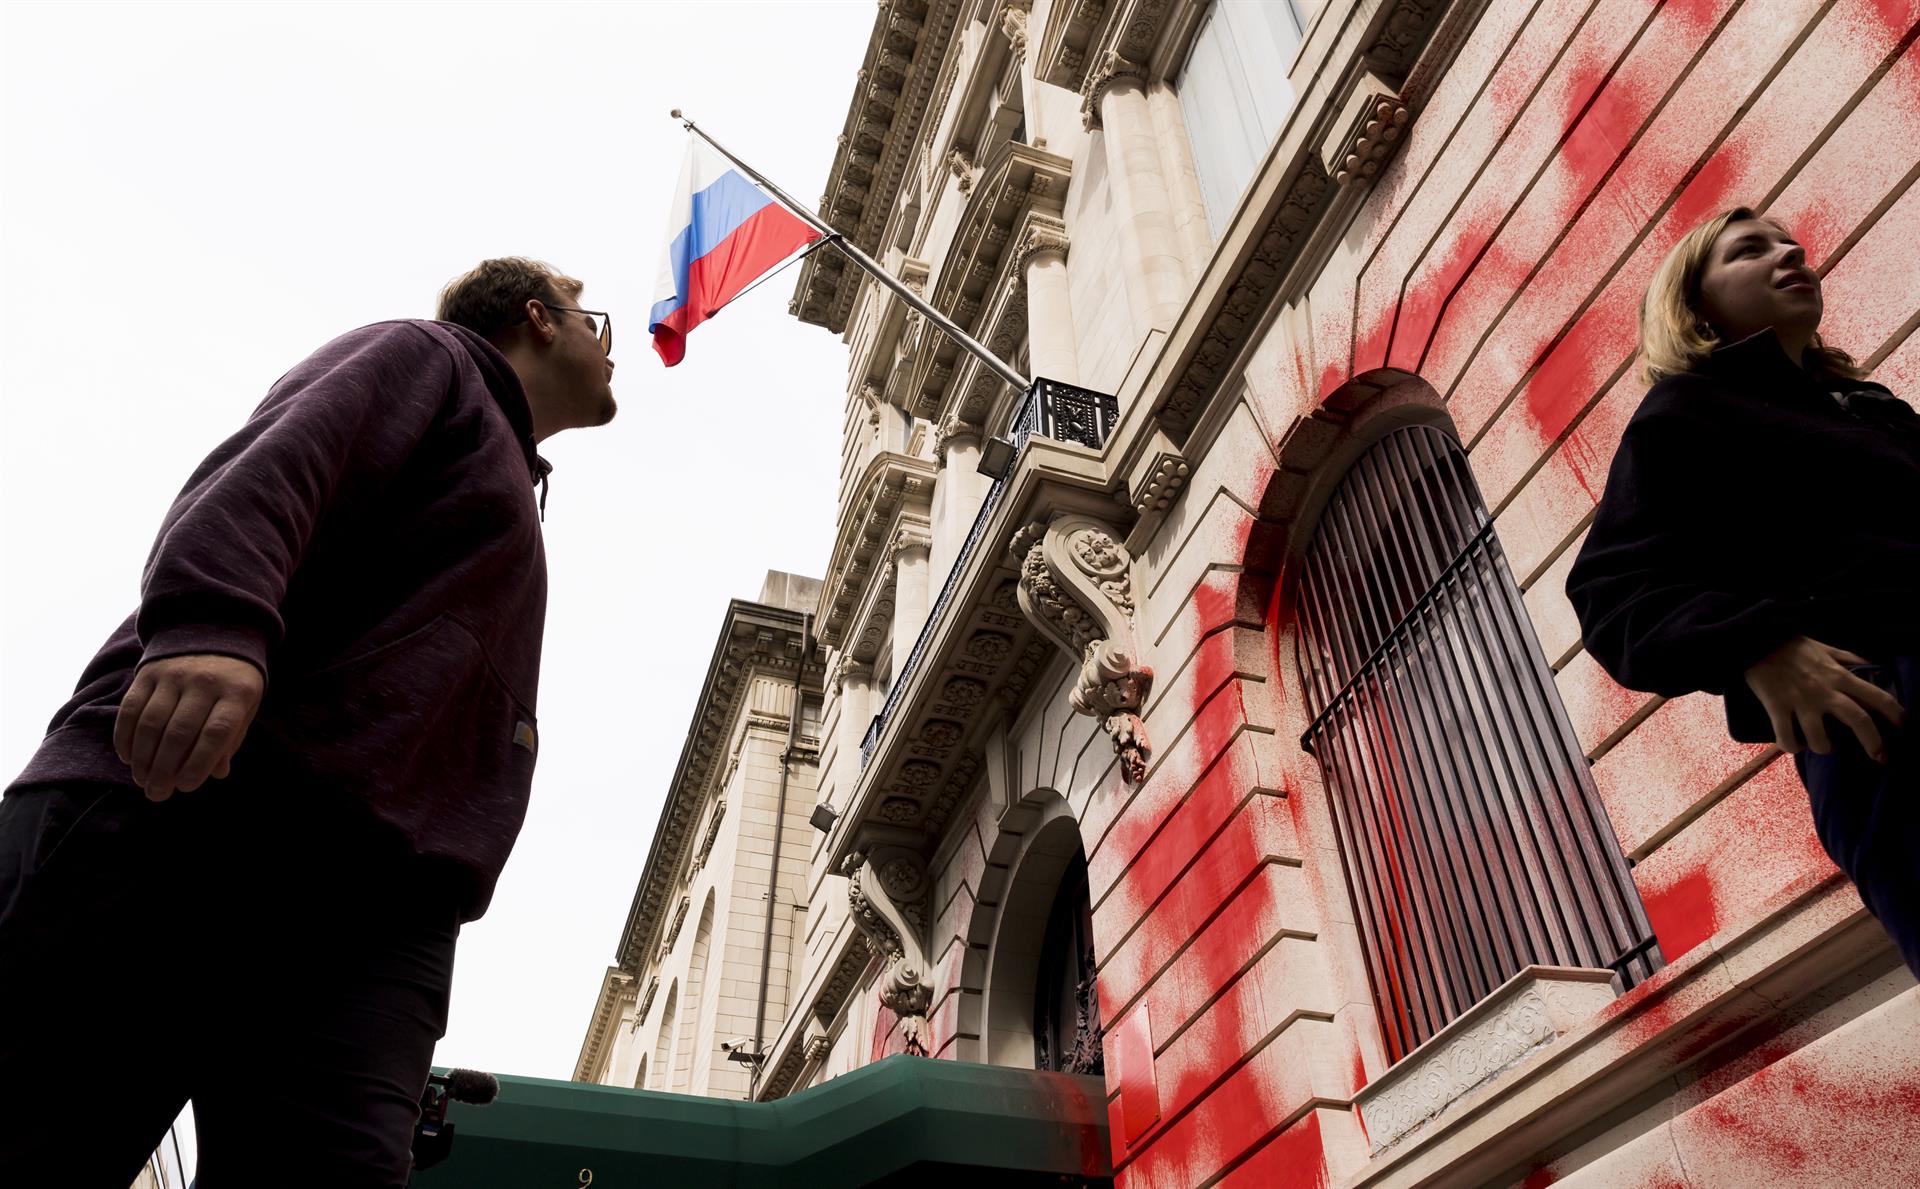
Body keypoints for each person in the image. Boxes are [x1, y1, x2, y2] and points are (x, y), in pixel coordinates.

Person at [0, 258, 617, 1186]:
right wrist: (213, 622)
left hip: (379, 908)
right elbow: (276, 464)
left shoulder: (509, 482)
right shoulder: (427, 357)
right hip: (193, 808)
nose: (609, 346)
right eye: (590, 318)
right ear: (538, 318)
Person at [1567, 207, 1919, 979]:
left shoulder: (1875, 408)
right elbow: (1611, 591)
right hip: (1884, 714)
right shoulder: (1684, 415)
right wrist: (1758, 644)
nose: (1789, 250)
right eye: (1748, 250)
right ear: (1696, 307)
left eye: (1789, 239)